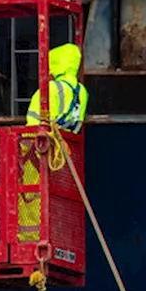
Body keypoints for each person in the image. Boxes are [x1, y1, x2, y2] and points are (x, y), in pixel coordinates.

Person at [18, 43, 89, 242]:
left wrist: (22, 153)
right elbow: (76, 125)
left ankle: (30, 239)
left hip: (40, 151)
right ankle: (57, 238)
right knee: (56, 198)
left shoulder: (50, 88)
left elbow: (32, 124)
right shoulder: (81, 93)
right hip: (64, 154)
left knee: (30, 195)